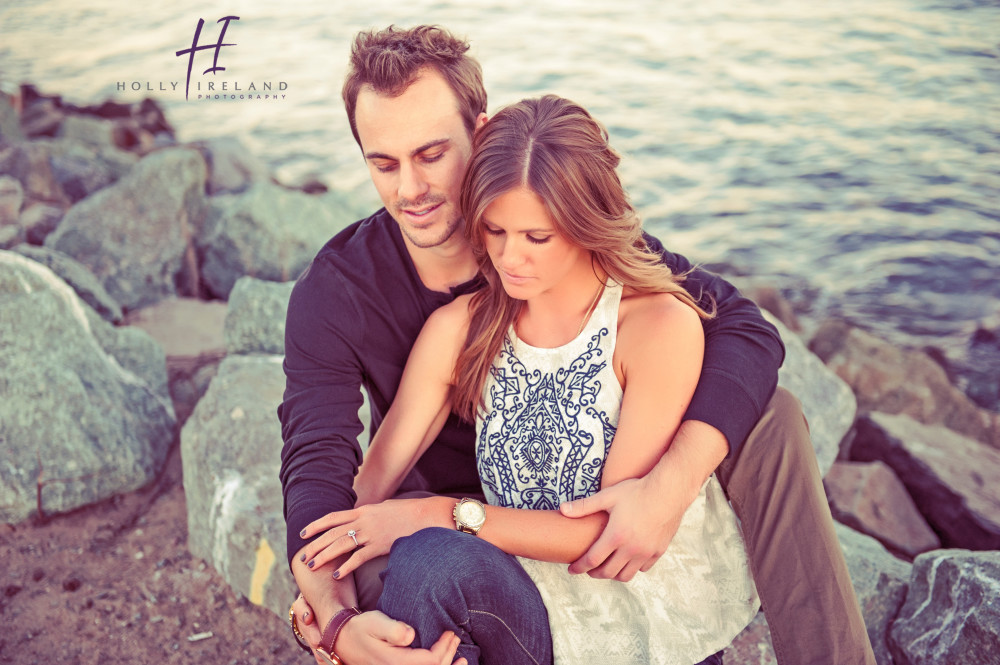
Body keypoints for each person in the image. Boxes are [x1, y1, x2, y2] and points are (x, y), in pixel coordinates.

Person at [279, 24, 875, 665]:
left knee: (771, 416)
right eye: (383, 163)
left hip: (582, 495)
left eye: (431, 155)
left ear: (480, 134)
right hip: (439, 516)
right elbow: (319, 464)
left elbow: (744, 328)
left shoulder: (553, 220)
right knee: (414, 568)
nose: (409, 191)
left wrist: (667, 489)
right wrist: (329, 613)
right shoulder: (345, 293)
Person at [299, 94, 762, 665]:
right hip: (528, 602)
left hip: (635, 614)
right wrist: (324, 604)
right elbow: (362, 495)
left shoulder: (657, 326)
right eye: (493, 231)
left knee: (428, 549)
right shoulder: (461, 328)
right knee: (420, 568)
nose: (508, 258)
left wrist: (431, 513)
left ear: (585, 223)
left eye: (535, 237)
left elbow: (599, 535)